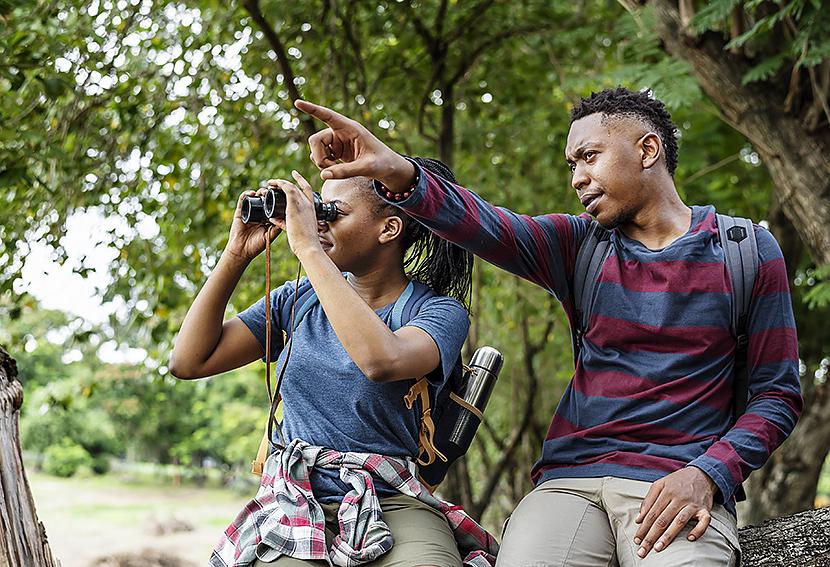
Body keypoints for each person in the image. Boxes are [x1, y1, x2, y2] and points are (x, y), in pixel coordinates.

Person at [293, 87, 803, 567]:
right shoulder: (579, 246)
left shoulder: (745, 252)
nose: (577, 177)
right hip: (570, 483)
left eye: (589, 157)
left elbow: (776, 396)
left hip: (677, 482)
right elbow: (484, 224)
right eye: (571, 164)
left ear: (647, 151)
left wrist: (708, 474)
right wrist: (394, 171)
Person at [169, 159, 498, 566]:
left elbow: (381, 361)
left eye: (332, 213)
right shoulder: (298, 300)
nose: (317, 223)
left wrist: (308, 247)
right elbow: (189, 361)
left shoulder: (439, 313)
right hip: (296, 496)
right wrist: (236, 253)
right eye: (315, 210)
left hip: (393, 498)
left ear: (388, 229)